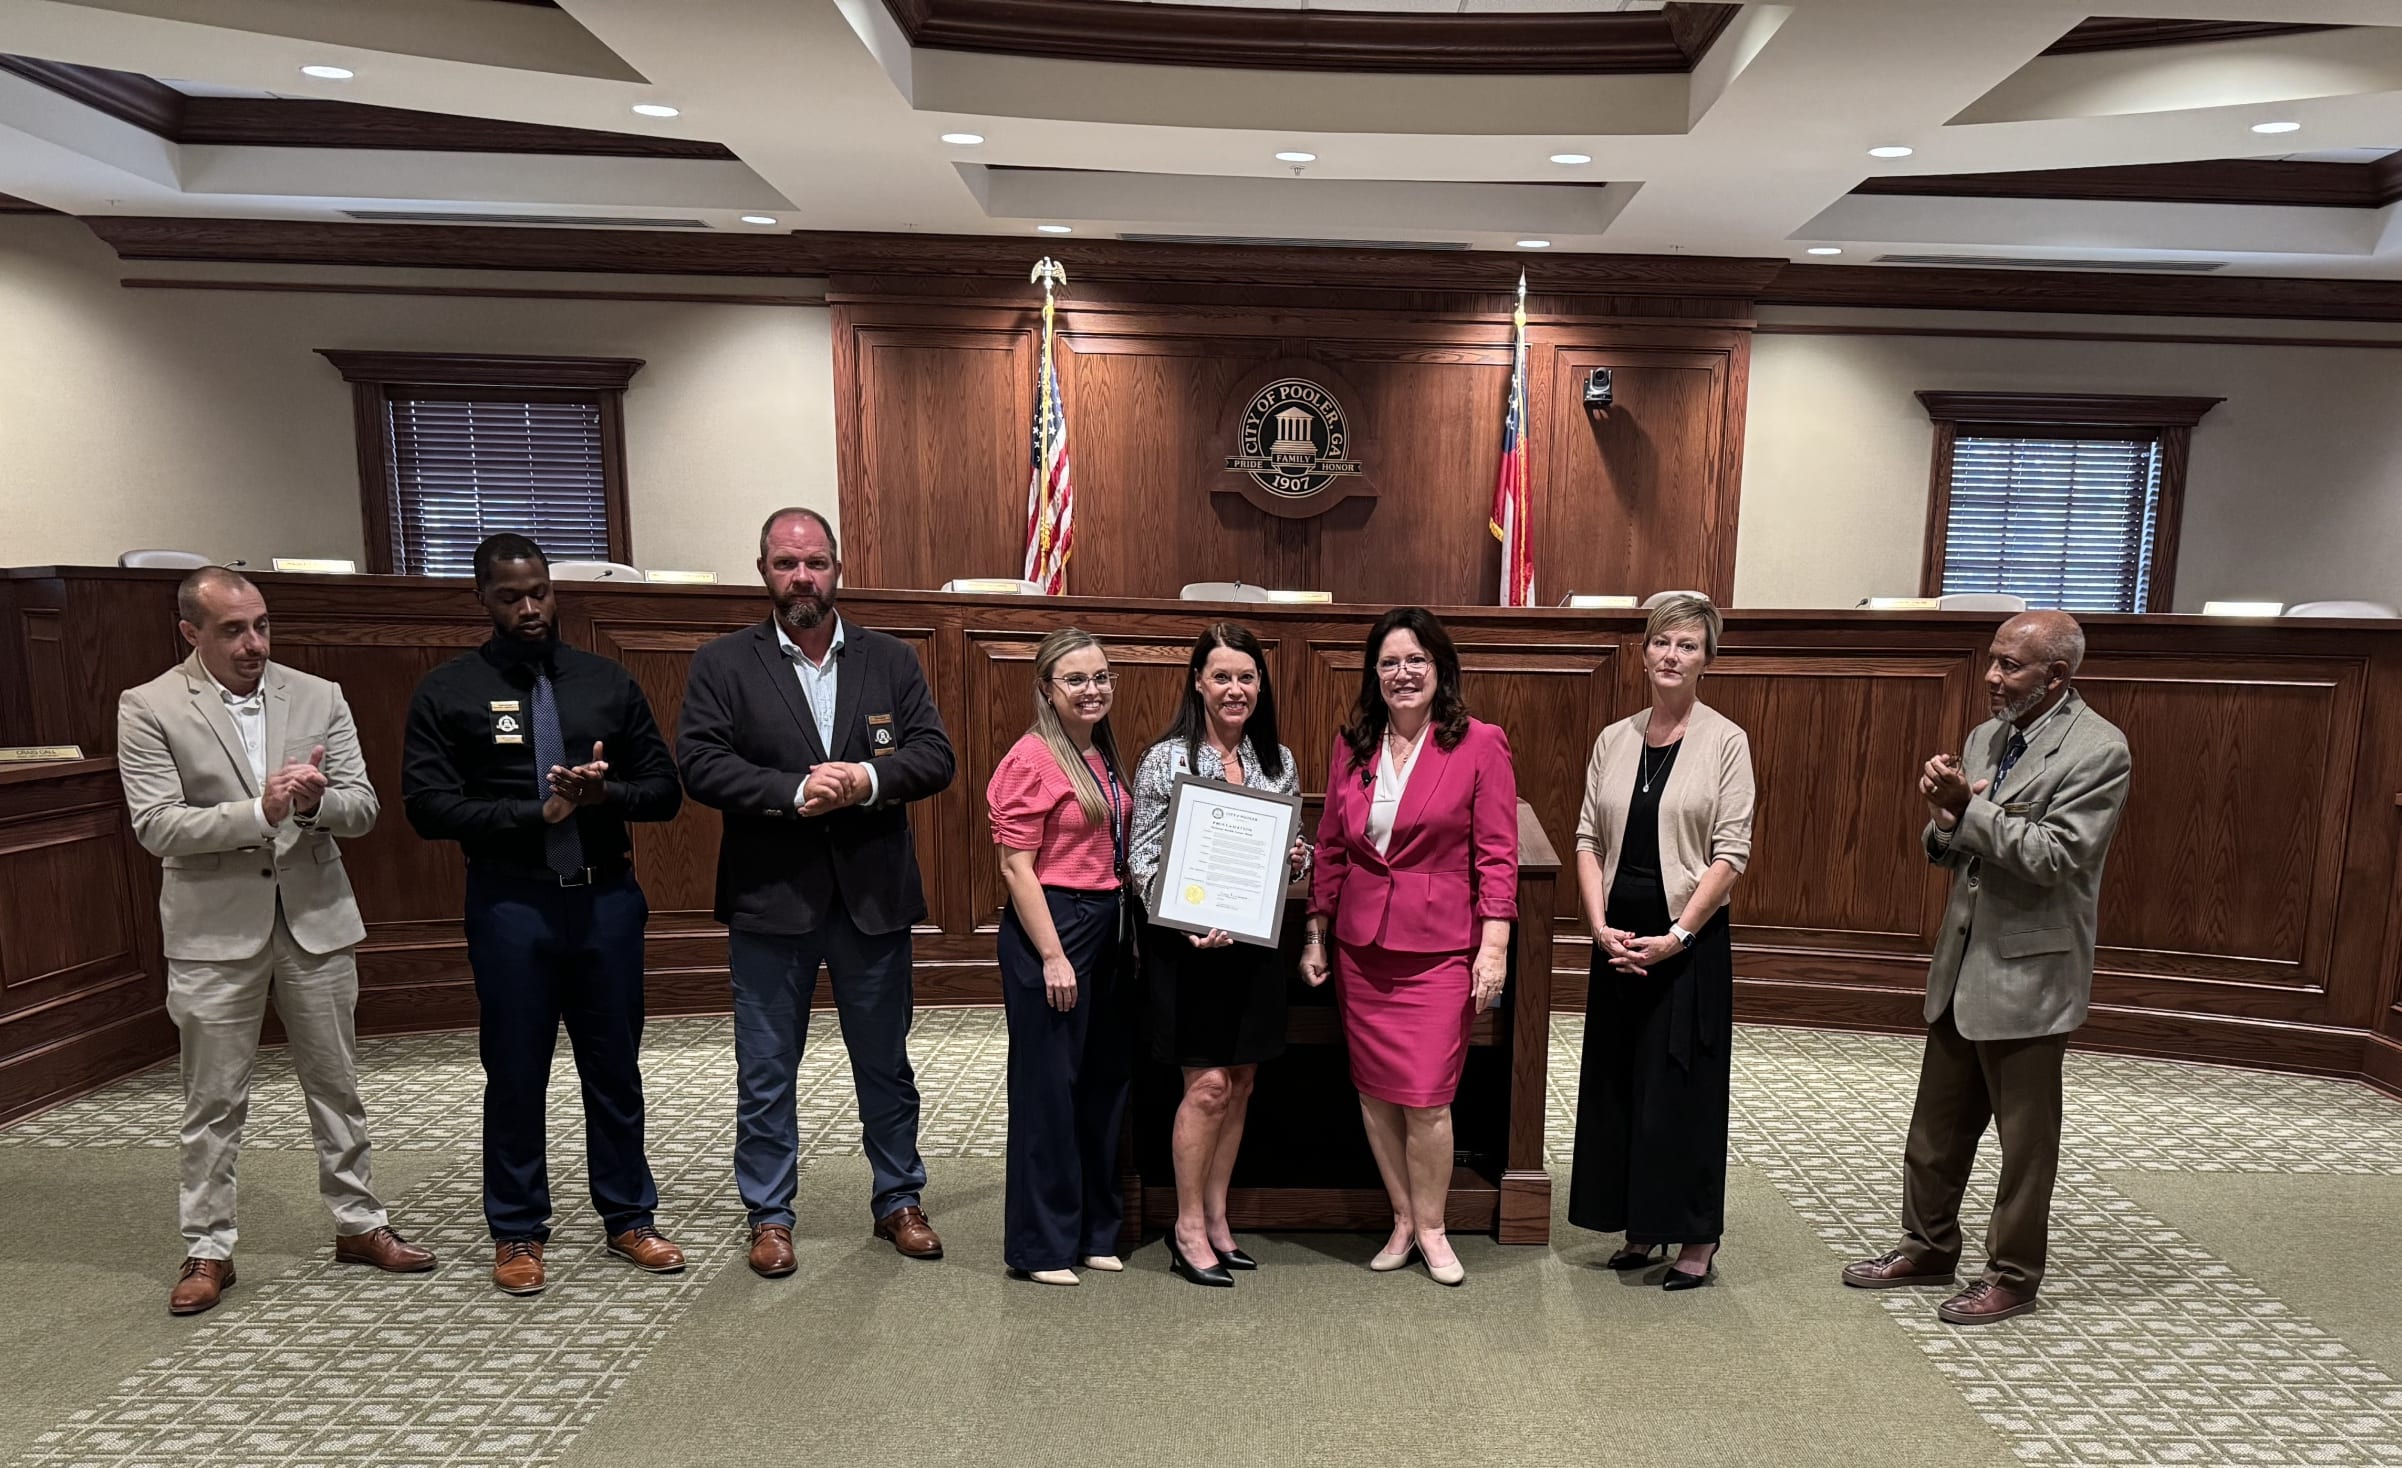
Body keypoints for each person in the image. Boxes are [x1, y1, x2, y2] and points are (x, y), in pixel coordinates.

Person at [117, 567, 434, 1315]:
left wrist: (318, 807)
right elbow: (156, 824)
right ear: (190, 632)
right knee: (212, 1100)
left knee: (337, 1084)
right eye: (233, 630)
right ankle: (209, 1247)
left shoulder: (319, 695)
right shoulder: (149, 705)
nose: (254, 643)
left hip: (315, 920)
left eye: (261, 625)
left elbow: (363, 807)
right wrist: (258, 813)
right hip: (213, 932)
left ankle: (359, 1223)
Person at [401, 533, 686, 1297]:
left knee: (615, 1067)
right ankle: (518, 1230)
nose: (529, 608)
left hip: (605, 900)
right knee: (516, 1071)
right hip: (510, 902)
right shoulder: (449, 690)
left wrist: (603, 795)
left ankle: (630, 1217)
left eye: (539, 593)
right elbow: (428, 807)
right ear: (482, 599)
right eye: (510, 597)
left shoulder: (606, 681)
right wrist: (539, 812)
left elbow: (664, 791)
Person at [678, 506, 957, 1278]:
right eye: (786, 564)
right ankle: (770, 1216)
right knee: (767, 1071)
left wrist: (865, 779)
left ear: (838, 568)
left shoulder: (890, 659)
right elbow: (700, 763)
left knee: (886, 1065)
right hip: (772, 901)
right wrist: (794, 790)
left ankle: (899, 1199)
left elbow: (934, 755)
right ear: (763, 572)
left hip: (873, 900)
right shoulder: (723, 663)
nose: (802, 577)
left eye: (815, 563)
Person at [1844, 610, 2131, 1325]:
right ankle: (1927, 1247)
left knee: (2024, 1145)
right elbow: (1957, 847)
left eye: (2010, 665)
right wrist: (1944, 821)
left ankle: (2012, 1276)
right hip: (1962, 963)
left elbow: (2056, 857)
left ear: (2055, 676)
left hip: (2031, 972)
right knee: (1935, 1131)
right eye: (1993, 660)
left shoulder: (2098, 750)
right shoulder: (1986, 738)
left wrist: (1964, 812)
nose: (1992, 677)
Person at [1298, 607, 1517, 1288]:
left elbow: (1498, 853)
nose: (1403, 674)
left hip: (1440, 950)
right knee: (1375, 1094)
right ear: (1374, 674)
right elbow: (1332, 847)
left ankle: (1433, 1226)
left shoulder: (1480, 743)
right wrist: (1316, 932)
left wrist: (1494, 945)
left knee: (1426, 1097)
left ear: (1441, 668)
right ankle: (1400, 1217)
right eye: (1389, 662)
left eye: (1416, 660)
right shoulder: (1353, 745)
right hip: (1362, 948)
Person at [1565, 595, 1754, 1290]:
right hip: (1617, 935)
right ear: (1644, 652)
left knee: (1682, 1088)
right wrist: (1596, 926)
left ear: (1707, 659)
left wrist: (1678, 935)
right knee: (1621, 1083)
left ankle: (1697, 1235)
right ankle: (1641, 1224)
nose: (1672, 656)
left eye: (1688, 645)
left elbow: (1731, 854)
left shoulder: (1726, 741)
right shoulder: (1614, 738)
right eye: (1661, 643)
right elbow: (1588, 838)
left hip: (1687, 937)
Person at [1126, 623, 1308, 1288]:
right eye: (1222, 676)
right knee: (1205, 1089)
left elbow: (1289, 859)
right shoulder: (1166, 759)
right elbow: (1141, 859)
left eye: (1247, 677)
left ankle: (1217, 1215)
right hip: (1188, 951)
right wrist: (1187, 920)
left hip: (1252, 950)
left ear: (1260, 685)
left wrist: (1296, 857)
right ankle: (1186, 1227)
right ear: (1198, 683)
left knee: (1242, 1082)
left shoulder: (1277, 760)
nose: (1236, 689)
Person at [988, 628, 1136, 1287]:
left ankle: (1094, 1232)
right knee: (1048, 1091)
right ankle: (1041, 1245)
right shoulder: (1031, 757)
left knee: (1103, 1084)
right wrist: (1052, 955)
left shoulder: (1100, 750)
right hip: (1053, 927)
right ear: (1047, 688)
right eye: (1075, 679)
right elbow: (1016, 868)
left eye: (1101, 676)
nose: (1091, 689)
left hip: (1107, 926)